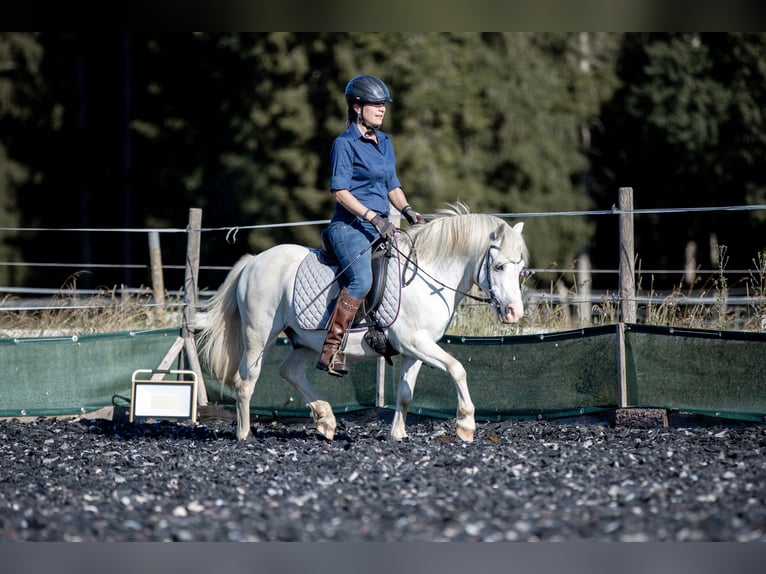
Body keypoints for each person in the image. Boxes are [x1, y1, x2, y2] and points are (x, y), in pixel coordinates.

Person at [317, 74, 425, 377]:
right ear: (356, 107)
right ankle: (331, 350)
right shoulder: (344, 144)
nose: (382, 110)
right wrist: (372, 217)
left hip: (380, 227)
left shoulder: (385, 142)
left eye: (384, 105)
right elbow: (340, 192)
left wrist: (407, 209)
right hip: (350, 227)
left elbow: (392, 185)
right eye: (375, 105)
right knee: (361, 281)